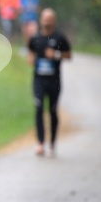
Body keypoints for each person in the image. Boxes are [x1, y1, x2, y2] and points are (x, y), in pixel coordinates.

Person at [27, 8, 71, 157]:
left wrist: (56, 54)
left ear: (54, 21)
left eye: (49, 18)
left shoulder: (59, 38)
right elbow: (31, 52)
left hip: (54, 81)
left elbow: (69, 55)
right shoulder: (35, 38)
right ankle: (40, 143)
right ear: (41, 20)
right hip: (39, 79)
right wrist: (31, 58)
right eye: (44, 18)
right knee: (39, 108)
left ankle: (52, 143)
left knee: (52, 110)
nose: (46, 21)